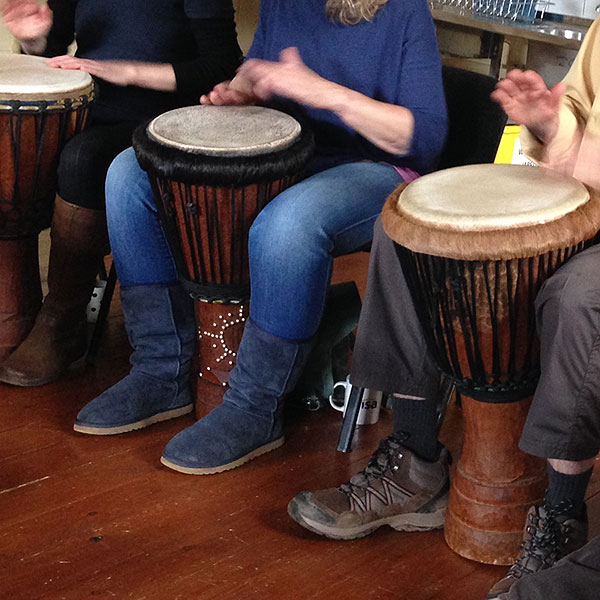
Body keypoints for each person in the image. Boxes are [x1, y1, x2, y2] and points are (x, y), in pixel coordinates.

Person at [288, 14, 600, 600]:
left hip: (591, 220)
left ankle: (561, 516)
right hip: (578, 202)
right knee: (409, 231)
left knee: (580, 296)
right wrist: (547, 118)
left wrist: (572, 153)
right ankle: (414, 460)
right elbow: (573, 118)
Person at [72, 0, 449, 476]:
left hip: (377, 169)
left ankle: (255, 407)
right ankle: (160, 372)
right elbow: (265, 88)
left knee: (287, 224)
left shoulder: (403, 10)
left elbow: (424, 135)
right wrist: (242, 97)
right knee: (130, 174)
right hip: (293, 155)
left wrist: (322, 92)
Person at [0, 0, 242, 386]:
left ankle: (61, 317)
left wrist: (126, 71)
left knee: (82, 158)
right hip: (94, 108)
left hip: (169, 118)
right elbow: (55, 54)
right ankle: (18, 312)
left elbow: (221, 66)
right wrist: (35, 39)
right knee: (23, 150)